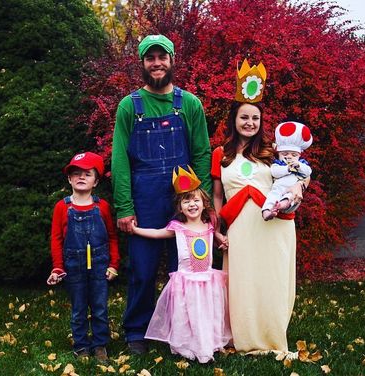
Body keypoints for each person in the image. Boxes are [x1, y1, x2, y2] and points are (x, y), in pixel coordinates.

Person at [111, 34, 212, 354]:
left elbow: (202, 154)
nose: (157, 63)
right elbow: (119, 160)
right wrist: (125, 206)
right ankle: (136, 332)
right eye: (150, 58)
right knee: (142, 269)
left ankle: (183, 330)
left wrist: (204, 203)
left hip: (185, 200)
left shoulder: (189, 104)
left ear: (172, 60)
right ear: (142, 63)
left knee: (188, 269)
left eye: (162, 57)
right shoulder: (130, 106)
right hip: (144, 198)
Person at [211, 59, 309, 354]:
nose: (250, 123)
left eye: (255, 118)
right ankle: (245, 337)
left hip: (274, 225)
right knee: (244, 283)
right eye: (244, 117)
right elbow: (217, 196)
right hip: (240, 226)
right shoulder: (220, 154)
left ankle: (272, 336)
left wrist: (299, 188)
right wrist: (217, 228)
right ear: (234, 120)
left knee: (272, 280)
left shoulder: (273, 153)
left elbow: (300, 176)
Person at [131, 165, 231, 363]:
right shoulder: (178, 227)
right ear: (180, 207)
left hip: (207, 281)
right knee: (186, 315)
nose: (192, 205)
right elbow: (158, 233)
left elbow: (218, 237)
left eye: (196, 200)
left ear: (204, 203)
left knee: (207, 313)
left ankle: (207, 343)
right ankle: (187, 346)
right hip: (186, 280)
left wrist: (222, 239)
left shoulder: (209, 227)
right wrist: (136, 230)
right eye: (187, 201)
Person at [47, 152, 120, 363]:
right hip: (73, 266)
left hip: (99, 265)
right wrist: (58, 267)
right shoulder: (62, 207)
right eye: (76, 173)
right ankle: (81, 346)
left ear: (95, 181)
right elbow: (56, 239)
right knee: (78, 309)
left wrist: (114, 264)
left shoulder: (102, 207)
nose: (81, 177)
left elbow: (113, 237)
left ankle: (99, 346)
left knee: (99, 308)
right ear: (69, 179)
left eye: (87, 174)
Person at [262, 121, 313, 221]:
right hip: (278, 187)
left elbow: (308, 172)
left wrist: (299, 166)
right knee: (272, 197)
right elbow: (274, 172)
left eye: (294, 155)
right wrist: (287, 169)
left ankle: (281, 205)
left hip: (292, 188)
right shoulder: (278, 164)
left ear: (299, 155)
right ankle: (266, 212)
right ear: (279, 154)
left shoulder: (301, 164)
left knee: (289, 197)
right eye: (285, 154)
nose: (289, 157)